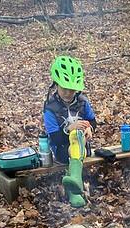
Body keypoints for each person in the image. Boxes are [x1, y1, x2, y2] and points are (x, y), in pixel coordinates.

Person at [43, 56, 97, 209]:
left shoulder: (82, 101)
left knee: (78, 135)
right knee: (74, 135)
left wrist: (89, 128)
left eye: (72, 89)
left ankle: (74, 185)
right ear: (56, 85)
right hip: (60, 151)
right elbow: (55, 137)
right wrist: (69, 128)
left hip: (83, 146)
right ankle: (75, 185)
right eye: (64, 88)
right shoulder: (50, 107)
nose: (68, 92)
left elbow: (93, 121)